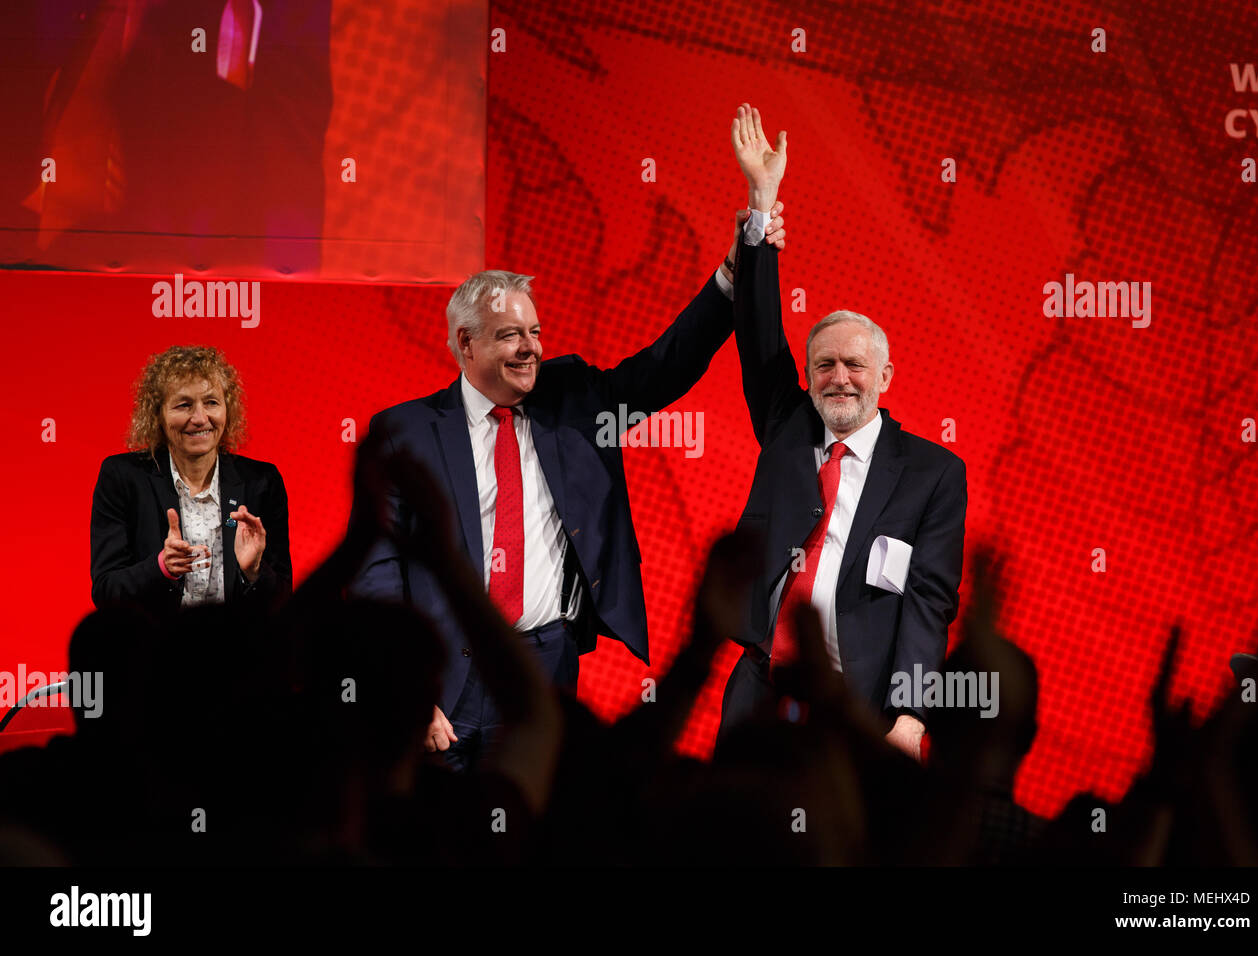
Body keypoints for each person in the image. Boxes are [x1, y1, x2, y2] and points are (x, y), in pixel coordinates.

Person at [351, 168, 787, 771]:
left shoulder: (573, 398)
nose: (530, 347)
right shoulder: (404, 430)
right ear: (464, 344)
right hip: (440, 679)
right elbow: (378, 567)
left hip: (544, 664)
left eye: (534, 331)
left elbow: (663, 368)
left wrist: (734, 271)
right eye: (509, 335)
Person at [718, 104, 967, 760]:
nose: (839, 377)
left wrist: (912, 714)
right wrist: (760, 205)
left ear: (885, 374)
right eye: (823, 364)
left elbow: (928, 601)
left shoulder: (933, 474)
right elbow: (757, 330)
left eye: (855, 364)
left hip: (860, 710)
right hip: (762, 690)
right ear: (806, 375)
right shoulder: (786, 428)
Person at [90, 345, 291, 612]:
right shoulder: (122, 477)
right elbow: (106, 591)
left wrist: (254, 571)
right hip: (153, 649)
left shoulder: (262, 482)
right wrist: (161, 568)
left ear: (227, 409)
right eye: (184, 405)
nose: (199, 418)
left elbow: (283, 599)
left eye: (211, 403)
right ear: (158, 415)